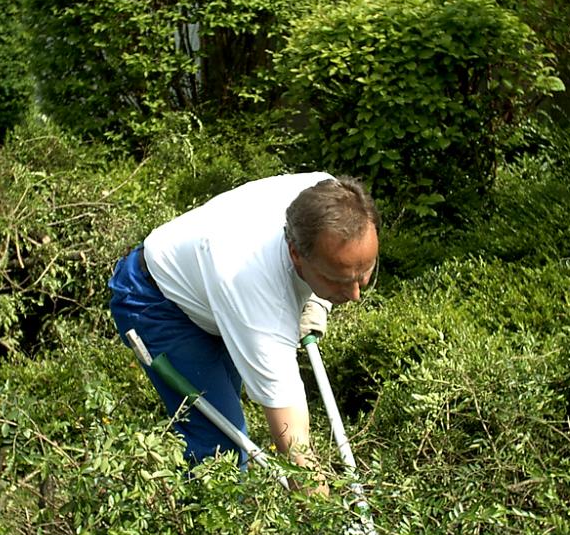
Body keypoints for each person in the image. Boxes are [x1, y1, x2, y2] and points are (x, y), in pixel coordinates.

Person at [108, 173, 380, 484]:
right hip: (157, 300)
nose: (356, 294)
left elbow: (348, 262)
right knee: (220, 445)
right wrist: (324, 515)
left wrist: (320, 299)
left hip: (213, 283)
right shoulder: (254, 293)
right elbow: (294, 447)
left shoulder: (336, 199)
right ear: (297, 255)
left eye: (365, 272)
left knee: (227, 406)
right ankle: (200, 529)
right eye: (339, 280)